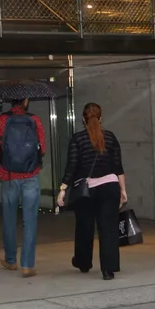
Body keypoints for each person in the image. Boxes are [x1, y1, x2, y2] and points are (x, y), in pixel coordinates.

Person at [56, 103, 126, 281]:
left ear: (83, 119)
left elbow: (71, 166)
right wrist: (123, 190)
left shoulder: (78, 139)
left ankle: (83, 263)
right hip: (110, 187)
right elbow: (118, 167)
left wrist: (63, 189)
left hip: (86, 191)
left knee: (84, 227)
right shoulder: (110, 137)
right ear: (100, 118)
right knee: (108, 228)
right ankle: (108, 270)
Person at [0, 98, 47, 278]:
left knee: (9, 219)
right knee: (30, 221)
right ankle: (28, 265)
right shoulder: (34, 120)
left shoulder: (1, 120)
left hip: (9, 176)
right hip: (31, 175)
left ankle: (11, 260)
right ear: (26, 101)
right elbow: (42, 148)